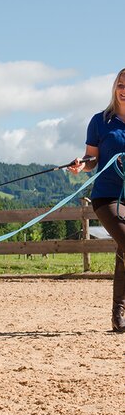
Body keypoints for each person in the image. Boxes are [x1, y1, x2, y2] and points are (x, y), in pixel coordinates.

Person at [68, 67, 125, 332]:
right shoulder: (101, 121)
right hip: (107, 197)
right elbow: (92, 159)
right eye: (121, 85)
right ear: (115, 88)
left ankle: (119, 314)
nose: (124, 91)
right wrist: (82, 164)